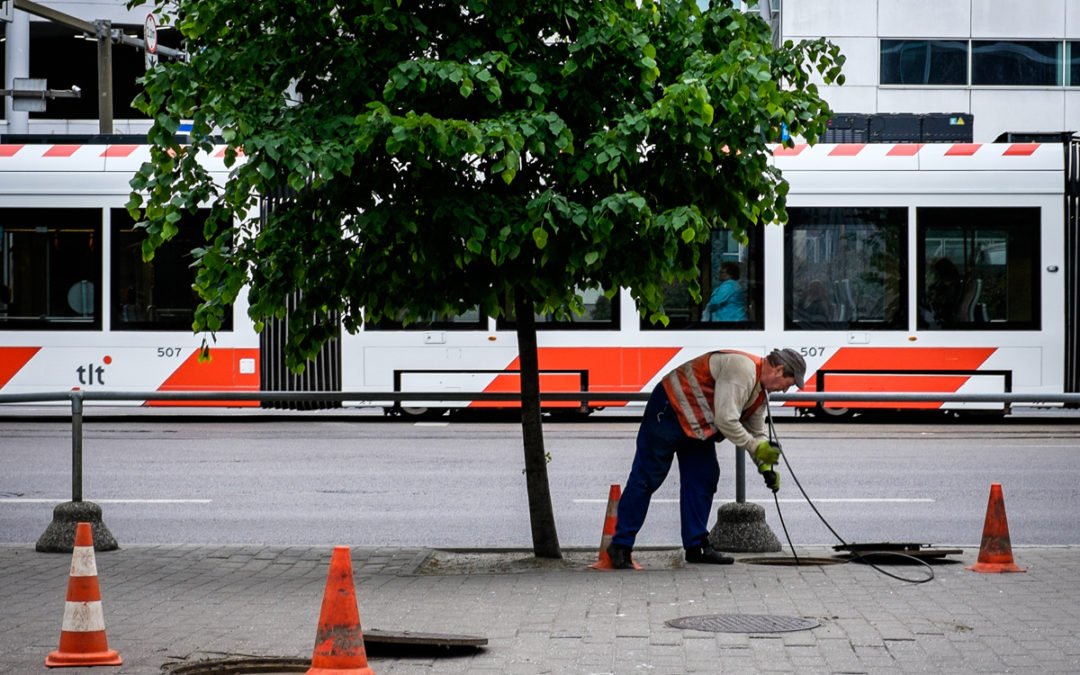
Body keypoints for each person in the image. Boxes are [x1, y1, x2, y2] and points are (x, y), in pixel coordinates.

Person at [607, 348, 806, 568]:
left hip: (697, 426)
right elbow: (726, 420)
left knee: (704, 477)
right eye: (789, 382)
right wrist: (756, 448)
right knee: (647, 477)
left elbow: (757, 434)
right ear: (778, 370)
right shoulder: (743, 370)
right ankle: (620, 546)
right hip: (668, 410)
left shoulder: (760, 392)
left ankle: (696, 546)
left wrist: (765, 467)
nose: (787, 389)